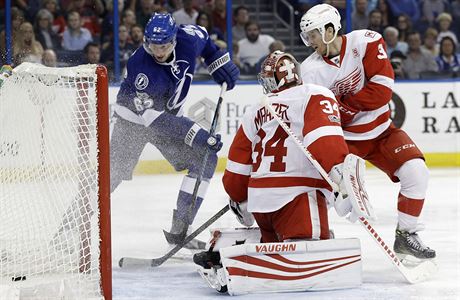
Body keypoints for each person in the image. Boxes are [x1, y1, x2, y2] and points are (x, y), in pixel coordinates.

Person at [299, 4, 436, 260]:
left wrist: (345, 107)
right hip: (343, 140)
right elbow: (320, 116)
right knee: (322, 189)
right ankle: (314, 235)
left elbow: (382, 91)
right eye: (307, 36)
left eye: (314, 34)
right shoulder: (309, 70)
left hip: (382, 131)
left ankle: (406, 235)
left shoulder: (366, 41)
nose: (310, 42)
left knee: (416, 172)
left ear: (330, 29)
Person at [110, 13, 239, 249]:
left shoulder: (189, 38)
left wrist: (217, 62)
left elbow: (207, 41)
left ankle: (181, 232)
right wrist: (198, 135)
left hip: (165, 117)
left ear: (175, 40)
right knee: (110, 176)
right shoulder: (141, 67)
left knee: (204, 159)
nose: (158, 52)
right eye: (152, 46)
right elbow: (154, 120)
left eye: (164, 46)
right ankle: (71, 228)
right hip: (132, 122)